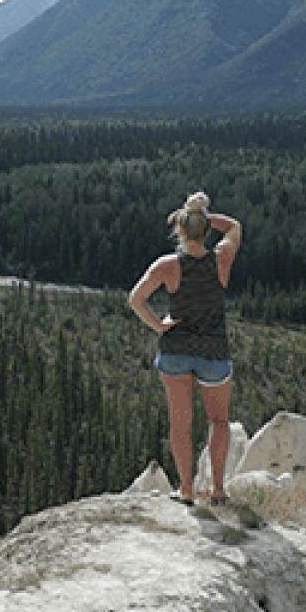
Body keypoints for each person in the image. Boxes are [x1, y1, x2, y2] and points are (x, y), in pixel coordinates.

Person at [128, 191, 242, 506]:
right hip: (214, 352)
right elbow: (234, 227)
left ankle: (187, 491)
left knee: (181, 423)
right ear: (207, 230)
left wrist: (159, 326)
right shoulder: (222, 258)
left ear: (178, 230)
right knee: (218, 422)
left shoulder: (167, 265)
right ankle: (218, 491)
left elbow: (135, 300)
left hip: (176, 350)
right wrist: (201, 212)